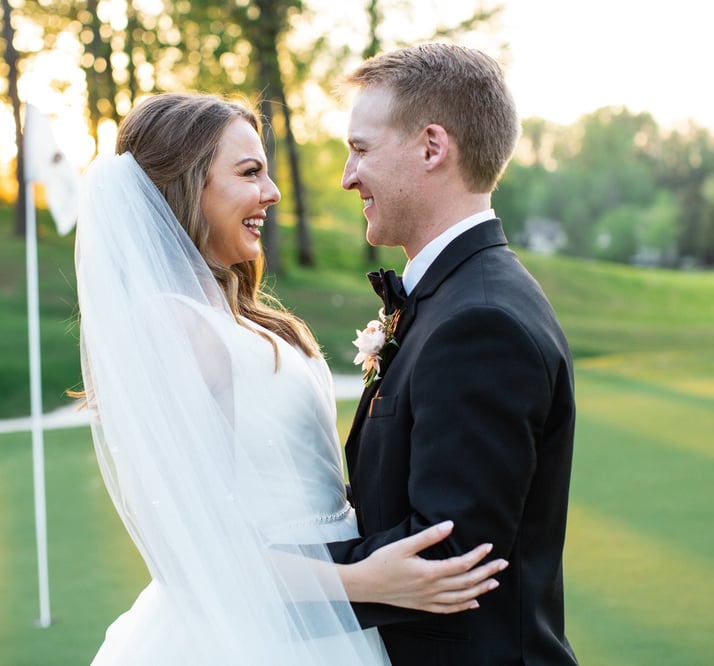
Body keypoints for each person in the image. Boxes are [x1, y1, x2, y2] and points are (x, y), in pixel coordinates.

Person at [73, 92, 508, 665]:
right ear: (185, 186)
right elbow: (194, 556)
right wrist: (364, 582)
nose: (272, 193)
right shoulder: (174, 323)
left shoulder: (237, 316)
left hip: (323, 615)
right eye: (250, 172)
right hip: (267, 632)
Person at [327, 44, 579, 664]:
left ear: (432, 147)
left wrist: (257, 574)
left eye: (360, 149)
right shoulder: (453, 298)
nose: (347, 176)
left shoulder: (480, 321)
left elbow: (443, 557)